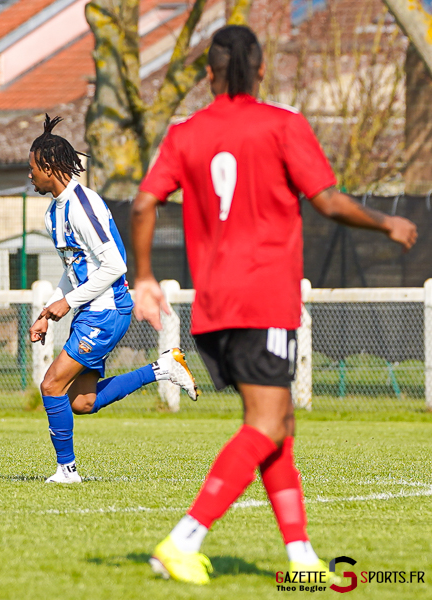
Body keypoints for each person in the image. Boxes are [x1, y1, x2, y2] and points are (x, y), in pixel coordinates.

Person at [131, 25, 418, 584]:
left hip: (213, 305)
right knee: (267, 422)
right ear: (261, 70)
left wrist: (144, 276)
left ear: (209, 74)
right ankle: (183, 539)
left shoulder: (186, 133)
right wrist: (388, 222)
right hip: (263, 299)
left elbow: (144, 205)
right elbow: (329, 202)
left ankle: (301, 557)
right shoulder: (283, 124)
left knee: (277, 421)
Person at [28, 115, 200, 484]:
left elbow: (115, 265)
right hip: (92, 308)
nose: (30, 176)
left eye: (33, 168)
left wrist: (69, 303)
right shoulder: (53, 213)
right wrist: (49, 310)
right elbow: (73, 269)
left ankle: (67, 470)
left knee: (51, 386)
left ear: (50, 167)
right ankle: (164, 368)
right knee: (81, 402)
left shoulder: (82, 206)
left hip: (106, 309)